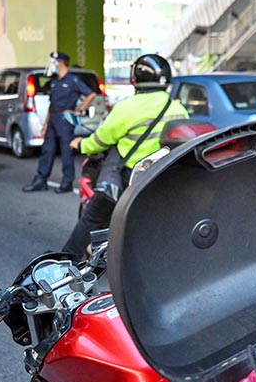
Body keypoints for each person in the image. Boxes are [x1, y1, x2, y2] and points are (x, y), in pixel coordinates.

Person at [63, 54, 188, 259]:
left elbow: (101, 140)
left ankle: (64, 266)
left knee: (91, 218)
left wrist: (82, 144)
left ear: (135, 79)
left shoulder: (126, 108)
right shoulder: (178, 109)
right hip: (162, 177)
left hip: (129, 179)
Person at [23, 52, 96, 193]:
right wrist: (45, 125)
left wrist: (80, 110)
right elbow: (52, 105)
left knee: (66, 151)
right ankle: (41, 180)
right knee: (47, 150)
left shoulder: (73, 80)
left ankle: (67, 182)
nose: (53, 65)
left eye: (55, 62)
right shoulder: (55, 81)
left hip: (65, 118)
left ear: (61, 62)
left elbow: (91, 94)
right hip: (53, 118)